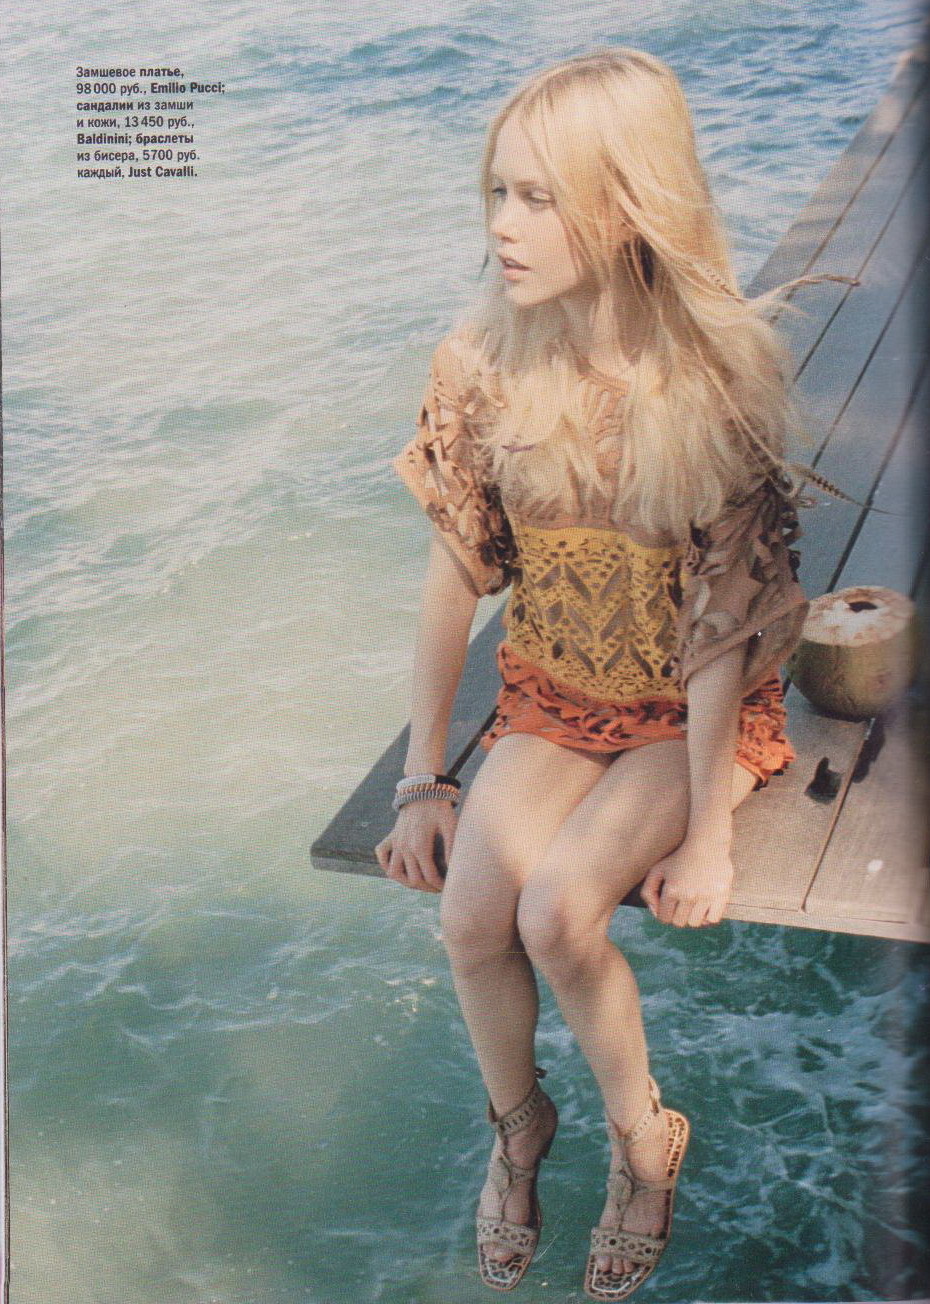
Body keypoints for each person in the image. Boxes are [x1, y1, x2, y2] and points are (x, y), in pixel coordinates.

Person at [375, 46, 820, 1300]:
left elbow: (726, 625)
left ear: (627, 208)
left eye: (539, 198)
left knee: (560, 911)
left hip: (687, 704)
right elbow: (455, 576)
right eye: (497, 193)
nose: (504, 227)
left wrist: (712, 829)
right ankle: (521, 1130)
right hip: (556, 688)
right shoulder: (480, 364)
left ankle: (643, 1139)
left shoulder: (713, 378)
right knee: (472, 914)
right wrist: (423, 777)